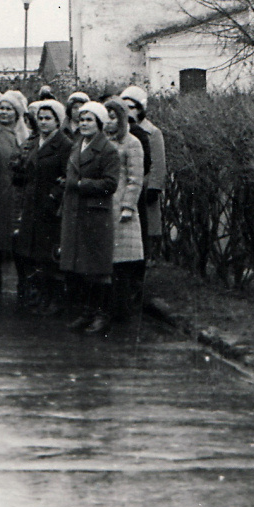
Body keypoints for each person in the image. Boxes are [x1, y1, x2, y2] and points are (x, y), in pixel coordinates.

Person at [59, 101, 120, 335]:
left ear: (100, 123)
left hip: (95, 215)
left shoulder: (107, 150)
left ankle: (101, 315)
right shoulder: (78, 145)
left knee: (98, 269)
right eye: (82, 119)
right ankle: (87, 312)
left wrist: (80, 184)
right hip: (75, 212)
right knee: (82, 267)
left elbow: (110, 184)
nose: (84, 124)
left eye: (89, 120)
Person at [11, 99, 71, 313]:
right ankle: (39, 296)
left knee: (50, 254)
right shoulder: (35, 141)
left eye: (48, 118)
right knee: (33, 253)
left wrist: (53, 197)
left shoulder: (64, 145)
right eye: (41, 118)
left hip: (50, 207)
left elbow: (66, 176)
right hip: (31, 205)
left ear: (58, 121)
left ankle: (55, 299)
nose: (43, 122)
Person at [0, 90, 29, 300]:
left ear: (17, 113)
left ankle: (23, 283)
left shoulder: (25, 137)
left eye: (9, 109)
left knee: (17, 236)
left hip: (17, 192)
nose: (4, 112)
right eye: (1, 108)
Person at [104, 97, 146, 322]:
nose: (109, 122)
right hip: (103, 206)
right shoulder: (102, 141)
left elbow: (135, 177)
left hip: (121, 208)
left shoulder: (132, 143)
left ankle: (122, 312)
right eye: (106, 117)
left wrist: (128, 206)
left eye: (113, 117)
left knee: (122, 264)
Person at [121, 85, 167, 259]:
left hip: (146, 188)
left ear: (141, 109)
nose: (128, 112)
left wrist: (154, 187)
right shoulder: (121, 133)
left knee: (146, 228)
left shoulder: (152, 132)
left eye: (131, 107)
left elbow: (158, 162)